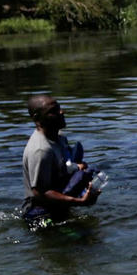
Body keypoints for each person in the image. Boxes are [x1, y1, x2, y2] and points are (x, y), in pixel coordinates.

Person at [21, 95, 99, 226]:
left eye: (59, 108)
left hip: (59, 207)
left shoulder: (59, 137)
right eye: (53, 111)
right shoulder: (41, 150)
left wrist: (78, 169)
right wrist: (80, 202)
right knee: (83, 237)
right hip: (42, 216)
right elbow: (40, 193)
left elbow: (63, 167)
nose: (61, 112)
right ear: (37, 118)